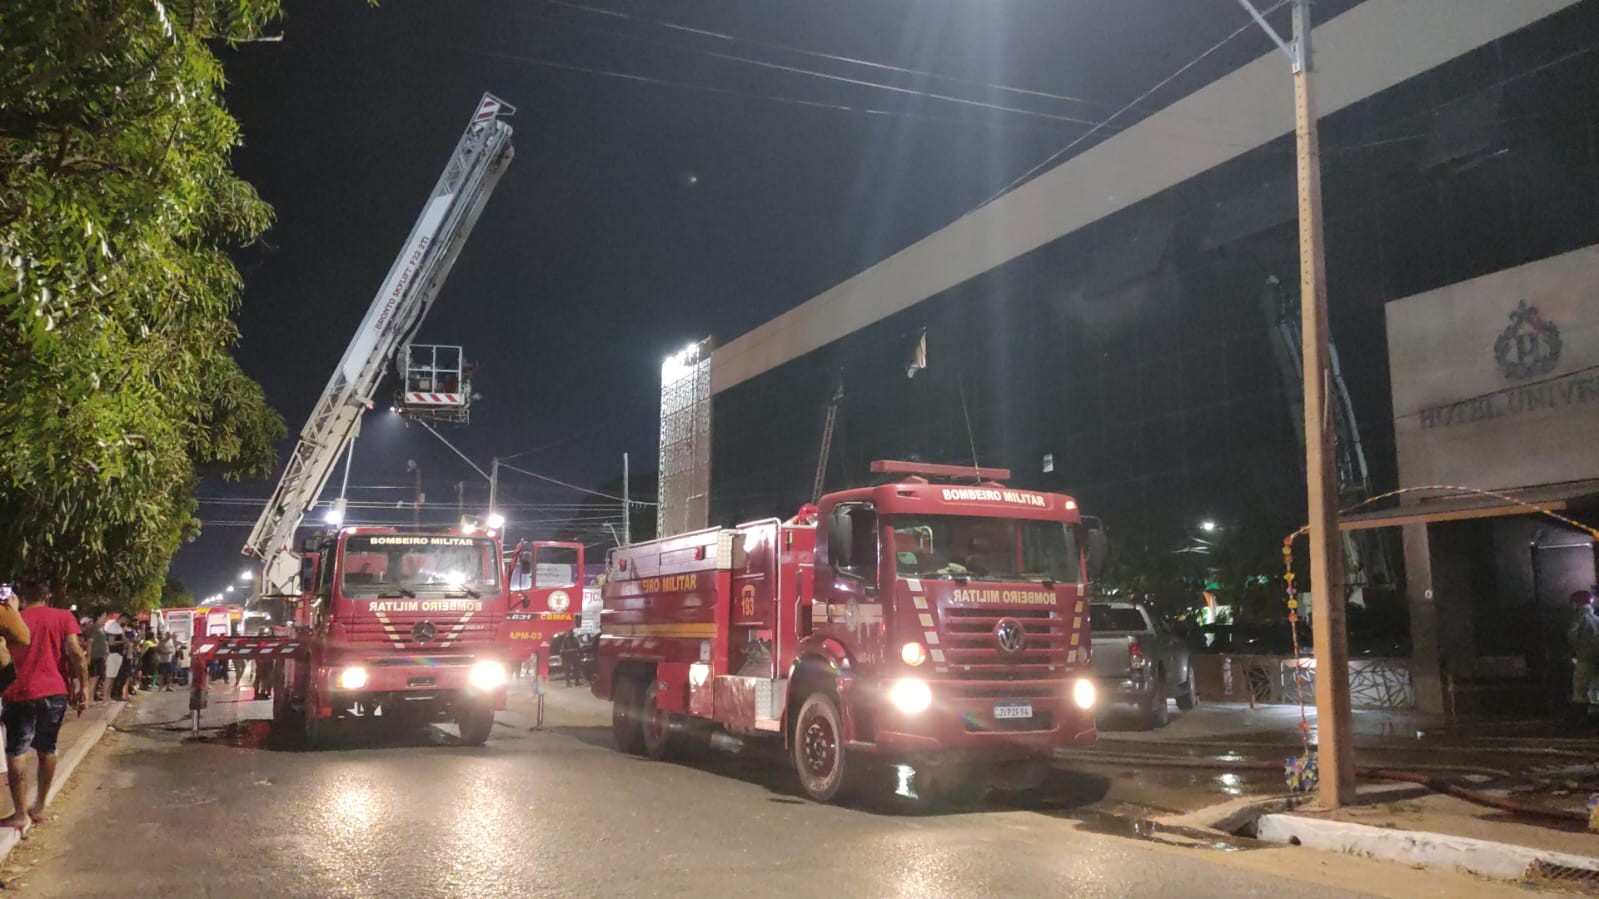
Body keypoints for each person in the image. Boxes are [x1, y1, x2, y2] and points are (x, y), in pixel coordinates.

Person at [2, 578, 87, 833]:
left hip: (18, 690)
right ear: (48, 596)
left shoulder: (14, 617)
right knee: (47, 747)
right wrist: (83, 686)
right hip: (54, 689)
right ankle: (39, 807)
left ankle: (20, 814)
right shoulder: (63, 617)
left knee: (17, 751)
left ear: (23, 597)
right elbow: (75, 652)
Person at [1567, 587, 1599, 724]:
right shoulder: (1596, 619)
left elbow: (1574, 640)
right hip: (1594, 659)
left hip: (1586, 660)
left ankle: (1581, 718)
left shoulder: (1581, 621)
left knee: (1580, 689)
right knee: (1596, 690)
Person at [85, 615, 109, 702]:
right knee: (93, 679)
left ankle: (92, 697)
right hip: (95, 657)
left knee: (97, 678)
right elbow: (89, 642)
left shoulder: (101, 629)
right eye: (103, 616)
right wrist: (89, 656)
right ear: (98, 617)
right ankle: (89, 699)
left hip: (100, 657)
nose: (105, 619)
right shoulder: (94, 628)